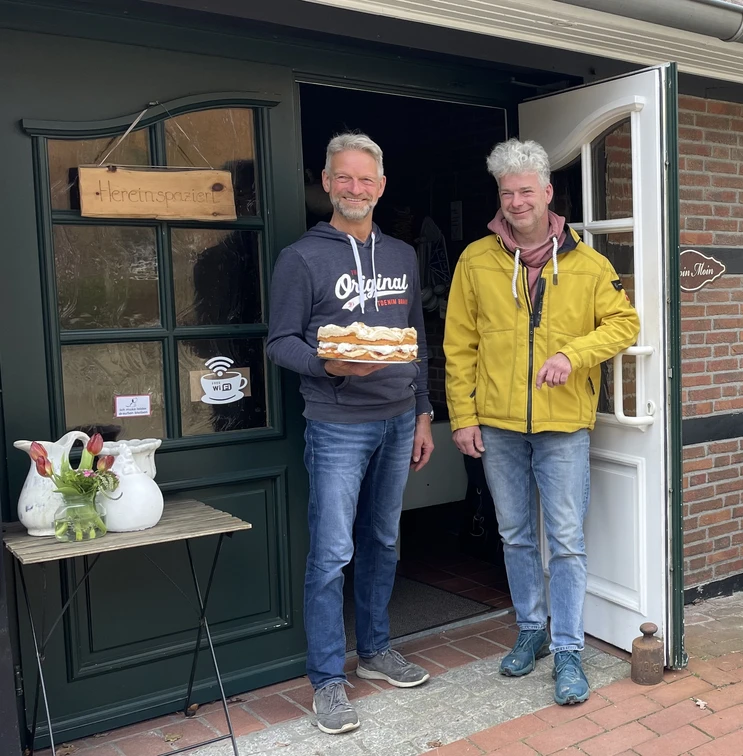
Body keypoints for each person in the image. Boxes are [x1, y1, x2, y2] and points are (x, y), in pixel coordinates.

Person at [443, 138, 640, 705]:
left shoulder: (587, 261)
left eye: (526, 190)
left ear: (548, 192)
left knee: (567, 542)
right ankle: (531, 630)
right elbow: (459, 346)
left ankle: (570, 649)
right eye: (507, 193)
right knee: (514, 534)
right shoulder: (475, 261)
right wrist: (463, 417)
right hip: (498, 426)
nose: (516, 202)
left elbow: (624, 324)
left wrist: (573, 355)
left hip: (562, 427)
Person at [266, 132, 434, 735]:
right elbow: (280, 342)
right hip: (337, 424)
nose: (355, 188)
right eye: (344, 178)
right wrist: (327, 365)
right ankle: (328, 680)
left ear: (381, 186)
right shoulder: (302, 258)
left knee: (384, 541)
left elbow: (415, 339)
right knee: (334, 551)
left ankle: (377, 650)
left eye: (366, 179)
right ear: (327, 183)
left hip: (396, 419)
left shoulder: (403, 257)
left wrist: (422, 413)